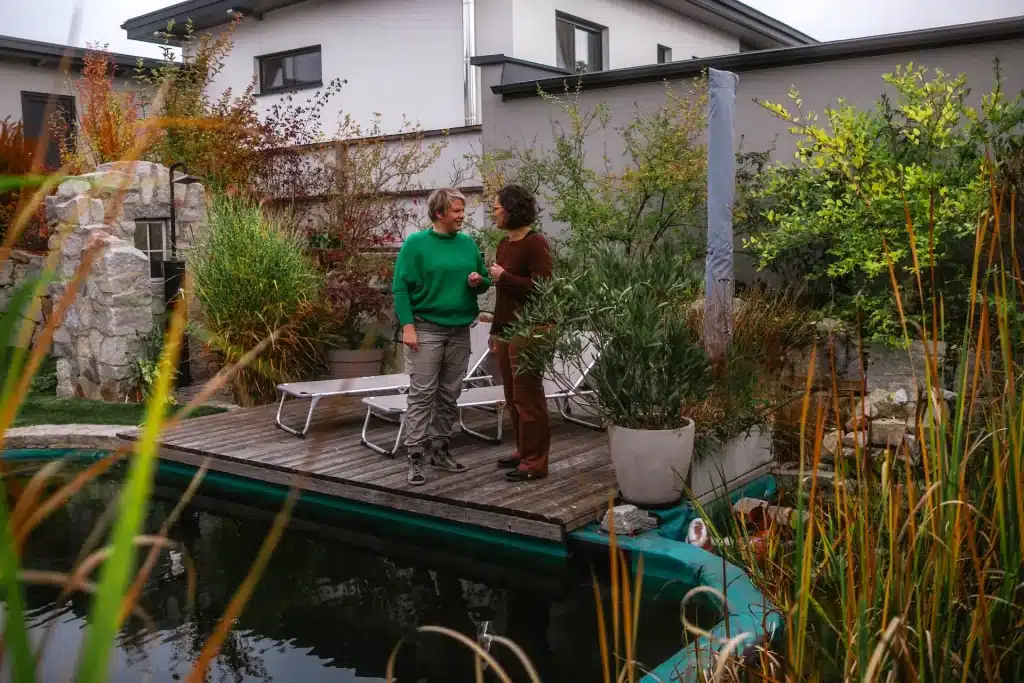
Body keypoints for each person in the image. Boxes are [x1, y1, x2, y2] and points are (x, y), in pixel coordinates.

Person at [392, 187, 491, 485]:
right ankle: (416, 455)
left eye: (462, 210)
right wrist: (408, 327)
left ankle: (440, 449)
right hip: (426, 328)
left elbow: (484, 281)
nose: (462, 216)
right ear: (439, 213)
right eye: (457, 211)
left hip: (459, 330)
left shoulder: (468, 244)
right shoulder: (416, 245)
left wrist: (478, 281)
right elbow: (400, 288)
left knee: (450, 393)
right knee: (422, 394)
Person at [488, 184, 553, 481]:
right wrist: (495, 330)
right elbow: (504, 296)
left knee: (528, 396)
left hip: (532, 328)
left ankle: (536, 462)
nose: (493, 213)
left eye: (496, 208)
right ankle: (523, 450)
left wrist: (505, 277)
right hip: (508, 328)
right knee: (512, 395)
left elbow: (542, 288)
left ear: (511, 209)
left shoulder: (535, 243)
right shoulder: (504, 244)